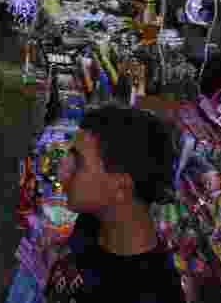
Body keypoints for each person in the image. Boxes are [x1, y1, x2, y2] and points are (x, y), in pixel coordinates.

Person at [46, 104, 184, 303]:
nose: (61, 173)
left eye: (78, 163)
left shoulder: (152, 295)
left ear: (121, 187)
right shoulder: (92, 221)